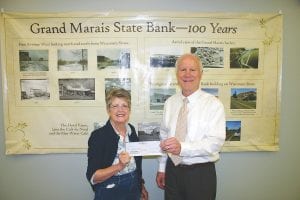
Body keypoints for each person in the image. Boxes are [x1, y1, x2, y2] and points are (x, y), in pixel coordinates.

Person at [156, 53, 225, 200]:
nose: (187, 74)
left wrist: (182, 148)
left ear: (201, 74)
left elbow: (215, 143)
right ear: (177, 74)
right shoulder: (170, 103)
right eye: (183, 70)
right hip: (172, 171)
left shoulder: (213, 105)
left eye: (192, 70)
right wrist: (162, 168)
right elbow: (163, 137)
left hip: (200, 174)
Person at [86, 88, 148, 200]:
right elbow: (93, 177)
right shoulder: (98, 136)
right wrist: (119, 166)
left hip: (134, 188)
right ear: (108, 110)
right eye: (115, 106)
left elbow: (136, 165)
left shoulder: (132, 131)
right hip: (109, 191)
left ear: (129, 109)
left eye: (124, 105)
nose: (120, 110)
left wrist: (141, 185)